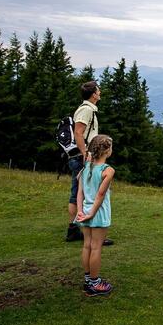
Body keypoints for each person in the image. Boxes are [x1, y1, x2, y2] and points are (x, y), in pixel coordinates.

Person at [65, 81, 114, 245]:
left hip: (80, 156)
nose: (100, 93)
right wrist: (86, 153)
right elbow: (78, 132)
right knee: (85, 193)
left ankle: (77, 227)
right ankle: (86, 228)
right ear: (93, 94)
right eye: (98, 90)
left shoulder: (87, 109)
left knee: (81, 192)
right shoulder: (86, 110)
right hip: (82, 157)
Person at [76, 135, 115, 296]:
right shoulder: (108, 170)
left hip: (84, 212)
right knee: (96, 247)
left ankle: (88, 280)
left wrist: (81, 211)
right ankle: (95, 283)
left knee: (87, 245)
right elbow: (100, 195)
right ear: (106, 150)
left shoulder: (85, 168)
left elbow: (80, 193)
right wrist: (91, 213)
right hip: (98, 214)